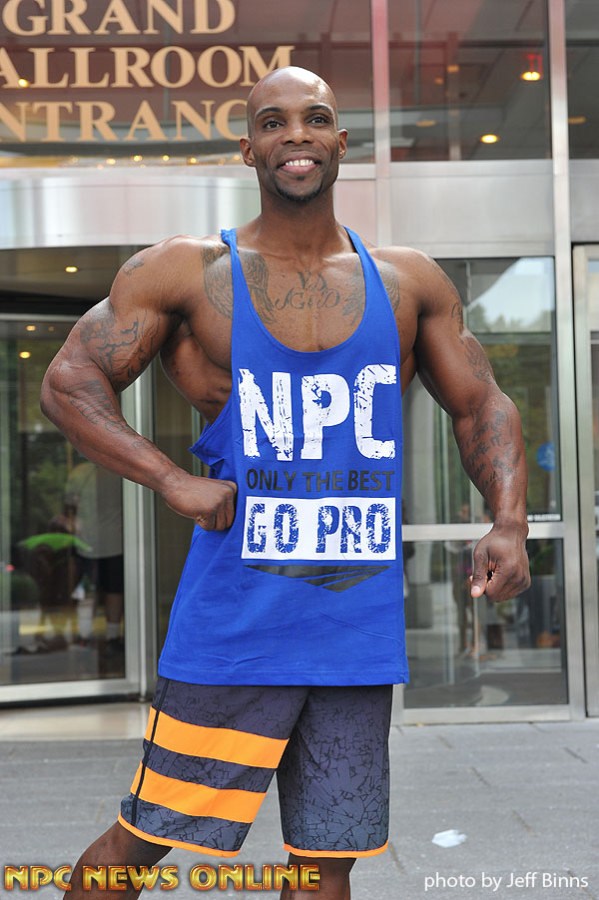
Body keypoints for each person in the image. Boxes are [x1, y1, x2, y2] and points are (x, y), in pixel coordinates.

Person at [40, 66, 530, 900]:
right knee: (142, 841)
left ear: (341, 142)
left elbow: (480, 401)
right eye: (273, 121)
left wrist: (508, 520)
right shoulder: (186, 270)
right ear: (248, 149)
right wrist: (169, 479)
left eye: (315, 118)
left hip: (353, 633)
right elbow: (69, 383)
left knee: (323, 864)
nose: (295, 134)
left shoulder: (407, 281)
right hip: (235, 629)